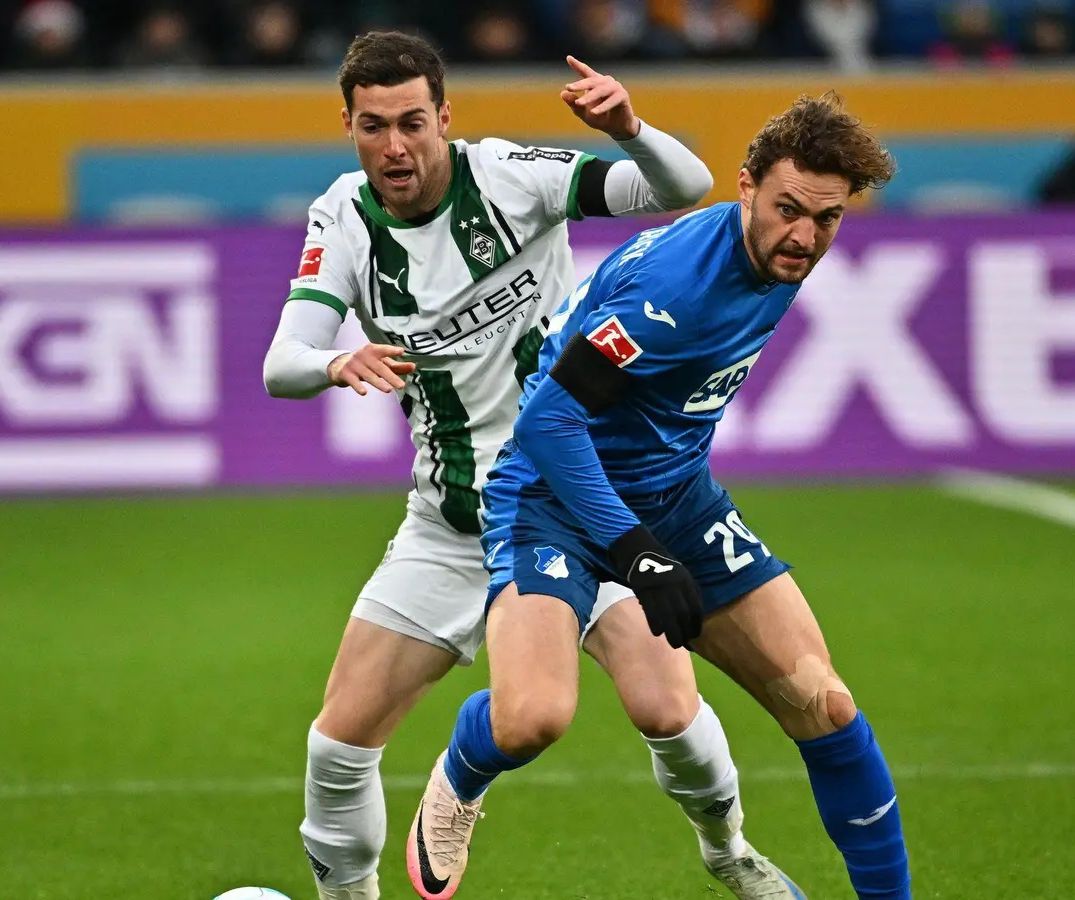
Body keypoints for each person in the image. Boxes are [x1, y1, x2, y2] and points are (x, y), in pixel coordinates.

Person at [263, 30, 801, 900]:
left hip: (573, 504)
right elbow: (279, 363)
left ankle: (728, 849)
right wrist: (334, 362)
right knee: (337, 745)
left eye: (411, 122)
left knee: (667, 709)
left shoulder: (514, 176)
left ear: (445, 117)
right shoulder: (344, 216)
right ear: (349, 127)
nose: (394, 146)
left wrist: (628, 126)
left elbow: (682, 186)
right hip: (449, 526)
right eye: (372, 127)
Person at [407, 92, 908, 900]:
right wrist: (635, 550)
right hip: (553, 501)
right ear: (745, 185)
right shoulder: (677, 290)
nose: (806, 237)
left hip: (679, 499)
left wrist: (657, 527)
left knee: (826, 704)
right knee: (532, 718)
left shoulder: (781, 252)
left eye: (828, 219)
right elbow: (548, 422)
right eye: (788, 210)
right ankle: (464, 768)